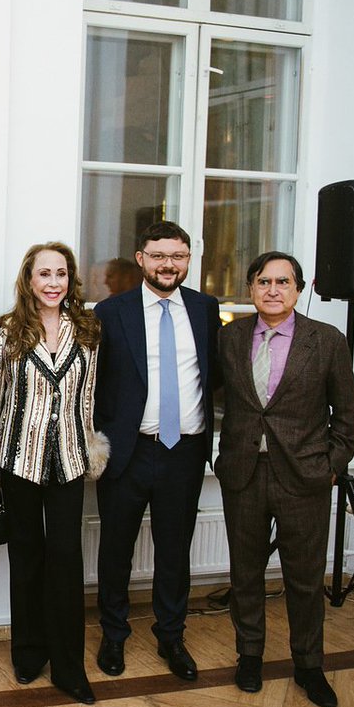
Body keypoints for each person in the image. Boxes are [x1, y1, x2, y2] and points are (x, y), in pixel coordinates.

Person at [216, 252, 354, 707]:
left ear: (298, 289)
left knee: (305, 578)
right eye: (264, 282)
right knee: (245, 574)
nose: (273, 290)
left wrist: (331, 466)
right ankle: (249, 656)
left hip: (304, 477)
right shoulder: (230, 337)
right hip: (244, 473)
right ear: (251, 289)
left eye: (283, 282)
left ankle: (309, 666)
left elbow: (347, 415)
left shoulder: (327, 340)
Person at [93, 221, 220, 681]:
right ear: (141, 259)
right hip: (128, 452)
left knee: (174, 552)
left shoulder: (206, 309)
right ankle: (113, 634)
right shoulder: (111, 312)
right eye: (159, 255)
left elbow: (214, 375)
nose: (169, 264)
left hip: (184, 452)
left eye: (178, 256)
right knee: (115, 551)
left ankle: (171, 636)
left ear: (189, 260)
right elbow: (96, 384)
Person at [0, 242, 107, 705]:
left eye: (61, 274)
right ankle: (28, 653)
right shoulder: (5, 331)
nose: (53, 282)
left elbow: (89, 396)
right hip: (18, 459)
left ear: (70, 280)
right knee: (26, 557)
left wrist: (91, 448)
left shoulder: (88, 330)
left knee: (66, 559)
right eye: (45, 274)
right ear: (29, 280)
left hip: (70, 459)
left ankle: (69, 667)